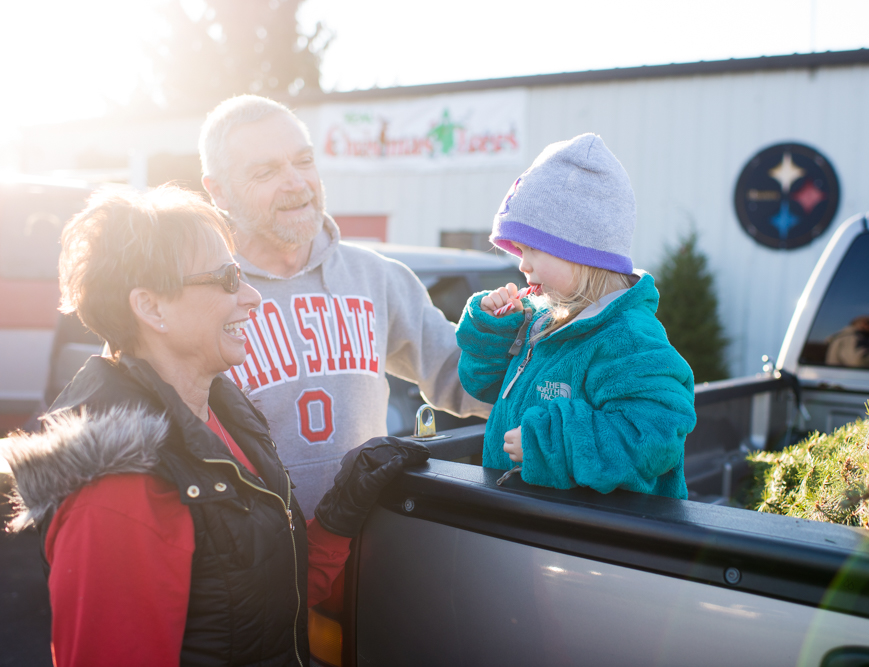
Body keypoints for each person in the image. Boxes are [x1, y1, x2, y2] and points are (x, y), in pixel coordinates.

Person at [1, 186, 427, 667]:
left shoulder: (224, 413)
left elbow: (258, 604)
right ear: (151, 308)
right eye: (227, 278)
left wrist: (339, 513)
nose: (251, 296)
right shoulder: (118, 490)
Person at [198, 95, 490, 517]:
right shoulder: (196, 294)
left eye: (304, 161)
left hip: (367, 551)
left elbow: (458, 373)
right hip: (251, 561)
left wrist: (564, 391)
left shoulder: (377, 277)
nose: (297, 183)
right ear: (218, 191)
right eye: (266, 171)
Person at [454, 134, 697, 498]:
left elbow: (655, 434)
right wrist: (494, 332)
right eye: (519, 249)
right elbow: (486, 388)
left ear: (582, 252)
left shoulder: (628, 337)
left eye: (533, 248)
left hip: (597, 545)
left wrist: (551, 444)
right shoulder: (544, 322)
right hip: (527, 529)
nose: (522, 263)